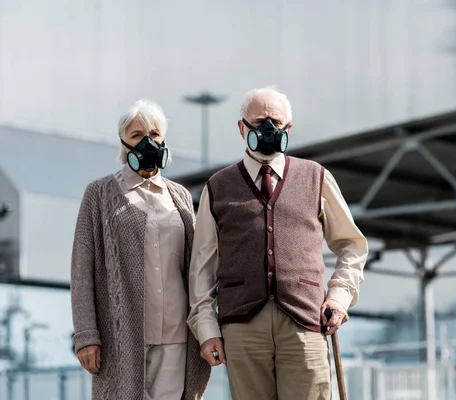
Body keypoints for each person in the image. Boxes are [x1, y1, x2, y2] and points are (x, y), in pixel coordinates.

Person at [188, 87, 369, 399]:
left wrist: (339, 297)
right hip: (242, 328)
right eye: (259, 121)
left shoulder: (317, 178)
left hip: (305, 323)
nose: (267, 129)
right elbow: (201, 267)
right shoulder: (217, 187)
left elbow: (352, 244)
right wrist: (206, 330)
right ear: (241, 128)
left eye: (276, 121)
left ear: (289, 128)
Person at [70, 99, 210, 400]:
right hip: (122, 336)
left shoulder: (181, 196)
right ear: (124, 143)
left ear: (164, 140)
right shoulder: (99, 193)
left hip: (176, 335)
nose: (147, 141)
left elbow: (197, 266)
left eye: (155, 134)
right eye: (136, 135)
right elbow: (82, 270)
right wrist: (85, 336)